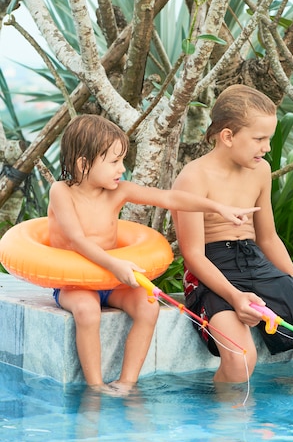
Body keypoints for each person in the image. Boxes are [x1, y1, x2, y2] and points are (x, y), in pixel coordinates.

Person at [48, 114, 258, 393]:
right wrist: (115, 263)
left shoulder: (117, 191)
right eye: (113, 162)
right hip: (74, 281)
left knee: (148, 306)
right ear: (84, 164)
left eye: (122, 160)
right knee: (87, 311)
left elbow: (169, 198)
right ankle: (95, 388)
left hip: (110, 281)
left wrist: (219, 208)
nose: (121, 169)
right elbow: (76, 239)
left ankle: (126, 383)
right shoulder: (61, 192)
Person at [172, 84, 293, 383]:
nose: (266, 147)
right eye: (259, 139)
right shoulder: (193, 177)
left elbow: (267, 237)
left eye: (269, 138)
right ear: (228, 136)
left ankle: (285, 413)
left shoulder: (260, 170)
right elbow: (194, 255)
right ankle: (223, 423)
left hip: (254, 261)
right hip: (211, 271)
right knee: (241, 359)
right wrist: (235, 297)